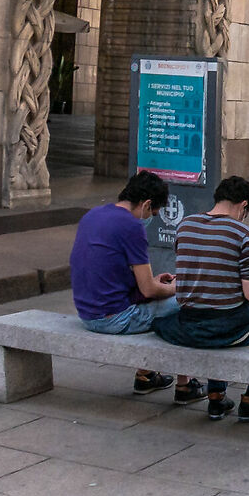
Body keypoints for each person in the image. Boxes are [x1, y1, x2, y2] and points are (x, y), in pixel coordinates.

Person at [153, 176, 249, 422]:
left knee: (216, 313)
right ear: (242, 206)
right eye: (246, 212)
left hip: (187, 326)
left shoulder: (185, 225)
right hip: (227, 329)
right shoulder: (242, 233)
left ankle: (217, 396)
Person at [69, 170, 190, 399]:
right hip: (113, 319)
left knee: (164, 301)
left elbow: (108, 272)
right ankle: (187, 384)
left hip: (86, 312)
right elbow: (149, 290)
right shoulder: (132, 227)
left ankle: (146, 374)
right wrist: (178, 288)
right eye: (153, 211)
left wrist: (153, 284)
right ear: (146, 205)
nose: (151, 217)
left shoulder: (93, 215)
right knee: (188, 301)